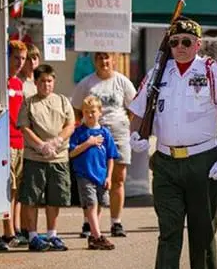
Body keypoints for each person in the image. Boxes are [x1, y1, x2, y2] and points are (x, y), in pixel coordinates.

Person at [129, 16, 217, 269]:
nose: (180, 48)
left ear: (198, 44)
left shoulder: (211, 71)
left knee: (202, 232)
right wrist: (135, 135)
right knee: (168, 233)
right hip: (166, 162)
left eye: (186, 43)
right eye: (175, 42)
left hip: (202, 161)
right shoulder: (157, 73)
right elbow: (139, 109)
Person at [71, 51, 138, 238]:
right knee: (92, 178)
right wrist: (88, 127)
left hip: (118, 135)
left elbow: (134, 108)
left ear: (114, 60)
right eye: (100, 58)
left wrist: (124, 123)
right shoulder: (86, 83)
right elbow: (76, 108)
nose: (104, 61)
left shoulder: (122, 81)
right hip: (93, 135)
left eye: (107, 57)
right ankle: (89, 224)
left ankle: (116, 222)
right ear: (95, 61)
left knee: (118, 179)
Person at [17, 64, 76, 252]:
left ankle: (52, 234)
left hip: (58, 157)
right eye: (42, 81)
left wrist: (57, 141)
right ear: (36, 82)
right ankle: (33, 236)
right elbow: (25, 128)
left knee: (55, 198)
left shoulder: (63, 101)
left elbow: (70, 125)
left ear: (54, 82)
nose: (46, 85)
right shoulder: (29, 102)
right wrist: (41, 145)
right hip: (35, 156)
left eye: (49, 81)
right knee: (31, 197)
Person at [0, 40, 29, 252]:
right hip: (3, 142)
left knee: (15, 191)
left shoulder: (19, 84)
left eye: (23, 59)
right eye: (16, 58)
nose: (20, 63)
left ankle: (11, 230)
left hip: (18, 141)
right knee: (3, 187)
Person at [68, 95, 118, 250]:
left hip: (101, 175)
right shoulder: (79, 132)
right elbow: (72, 152)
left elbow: (111, 156)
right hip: (84, 175)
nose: (90, 115)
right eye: (86, 112)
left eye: (93, 111)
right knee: (91, 204)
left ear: (100, 112)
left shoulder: (105, 133)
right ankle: (97, 236)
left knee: (99, 204)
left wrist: (109, 176)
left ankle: (93, 237)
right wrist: (88, 143)